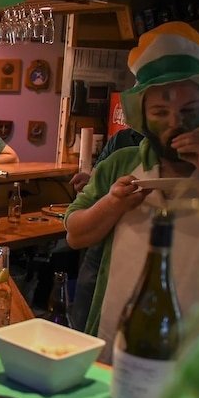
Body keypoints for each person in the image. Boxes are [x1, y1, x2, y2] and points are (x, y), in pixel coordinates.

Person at [64, 22, 199, 363]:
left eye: (188, 112)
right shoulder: (122, 162)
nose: (175, 123)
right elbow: (75, 234)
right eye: (160, 113)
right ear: (143, 116)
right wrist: (112, 204)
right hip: (117, 330)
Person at [67, 128, 144, 331]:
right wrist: (94, 184)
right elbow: (73, 232)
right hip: (101, 252)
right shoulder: (122, 148)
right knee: (82, 328)